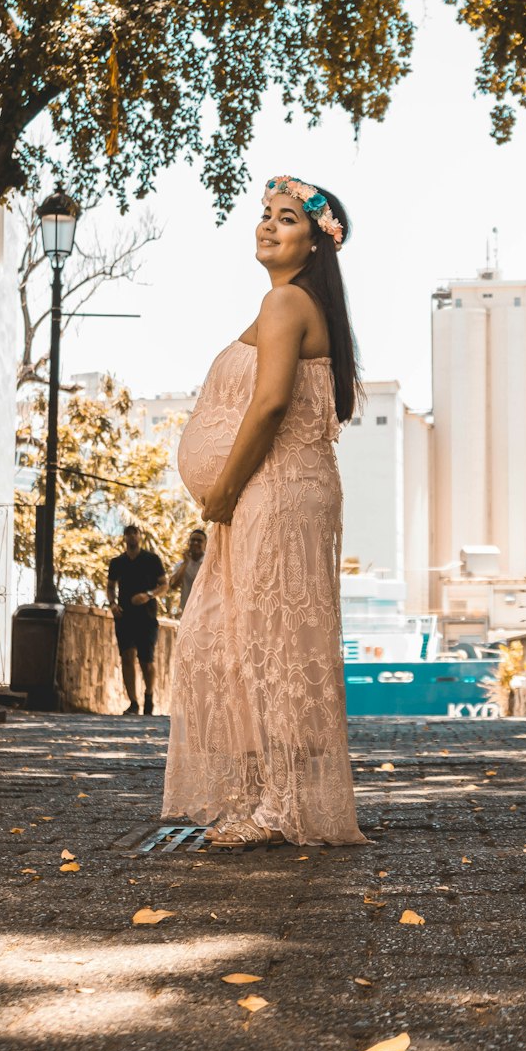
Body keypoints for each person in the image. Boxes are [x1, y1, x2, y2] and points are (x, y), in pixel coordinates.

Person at [162, 175, 367, 847]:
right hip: (281, 492)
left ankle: (278, 806)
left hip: (271, 494)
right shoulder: (303, 304)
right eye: (265, 215)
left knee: (262, 647)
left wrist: (222, 490)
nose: (267, 226)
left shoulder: (285, 302)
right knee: (251, 644)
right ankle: (267, 798)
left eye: (286, 219)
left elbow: (271, 404)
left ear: (315, 244)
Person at [107, 525, 168, 715]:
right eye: (128, 533)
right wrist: (112, 604)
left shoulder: (152, 559)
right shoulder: (117, 562)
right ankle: (133, 702)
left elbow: (164, 584)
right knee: (127, 657)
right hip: (124, 617)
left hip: (147, 617)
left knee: (146, 662)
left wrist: (148, 595)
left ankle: (149, 695)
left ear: (140, 536)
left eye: (135, 533)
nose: (132, 536)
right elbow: (110, 586)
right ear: (124, 537)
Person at [169, 529, 207, 614]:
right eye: (193, 540)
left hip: (206, 611)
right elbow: (173, 585)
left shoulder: (209, 564)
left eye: (199, 541)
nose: (195, 543)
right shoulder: (181, 564)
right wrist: (185, 563)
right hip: (187, 611)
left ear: (206, 544)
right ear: (188, 542)